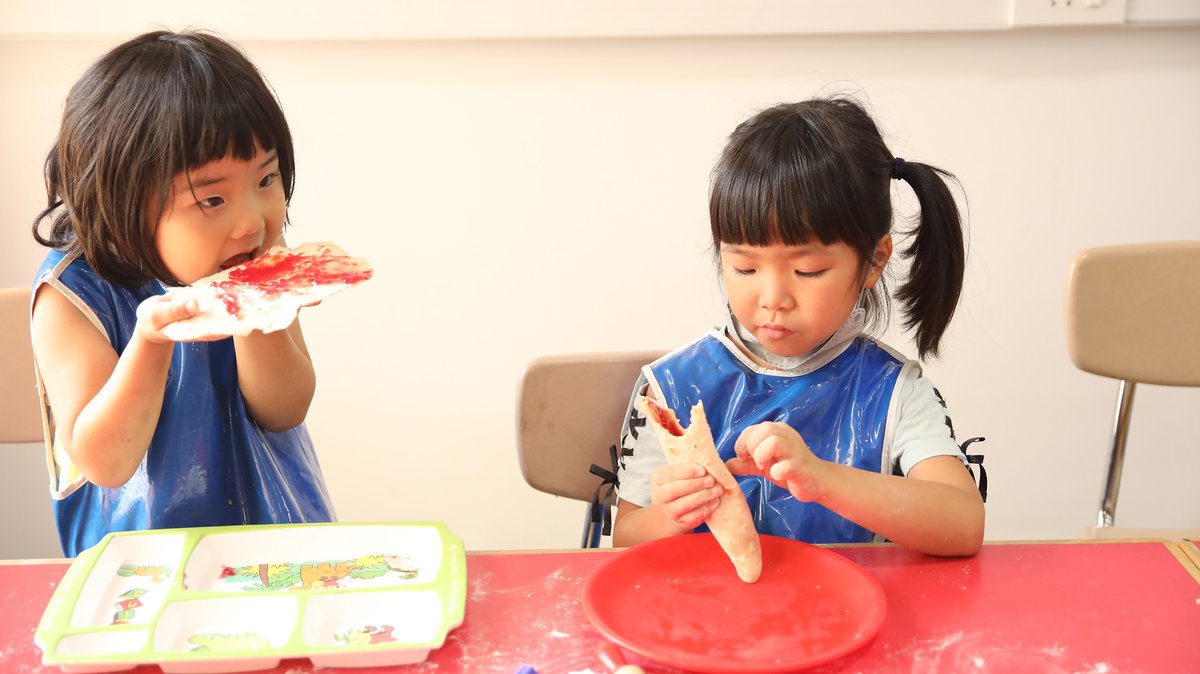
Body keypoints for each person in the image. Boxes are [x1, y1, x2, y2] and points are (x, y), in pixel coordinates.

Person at [612, 96, 984, 556]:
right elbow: (624, 537)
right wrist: (668, 516)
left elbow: (962, 524)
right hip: (706, 618)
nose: (773, 299)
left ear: (874, 261)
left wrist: (824, 479)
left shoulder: (893, 394)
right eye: (745, 268)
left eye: (807, 271)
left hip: (850, 615)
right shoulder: (671, 387)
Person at [29, 30, 334, 557]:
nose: (251, 222)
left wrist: (257, 310)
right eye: (212, 198)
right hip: (145, 565)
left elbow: (284, 408)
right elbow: (107, 462)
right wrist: (151, 341)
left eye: (266, 179)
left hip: (271, 543)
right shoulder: (71, 295)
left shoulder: (259, 255)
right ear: (123, 197)